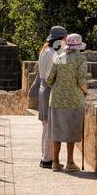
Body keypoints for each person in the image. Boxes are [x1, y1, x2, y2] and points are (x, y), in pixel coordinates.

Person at [45, 32, 90, 171]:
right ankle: (70, 162)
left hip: (57, 100)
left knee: (56, 131)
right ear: (79, 46)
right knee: (72, 130)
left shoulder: (59, 57)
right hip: (74, 100)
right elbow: (81, 79)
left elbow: (49, 79)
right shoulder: (81, 59)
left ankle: (56, 163)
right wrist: (86, 91)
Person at [36, 25, 67, 168]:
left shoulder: (44, 51)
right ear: (60, 39)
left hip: (43, 89)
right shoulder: (57, 52)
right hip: (50, 90)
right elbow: (60, 75)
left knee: (45, 126)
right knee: (50, 128)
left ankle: (44, 156)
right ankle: (48, 159)